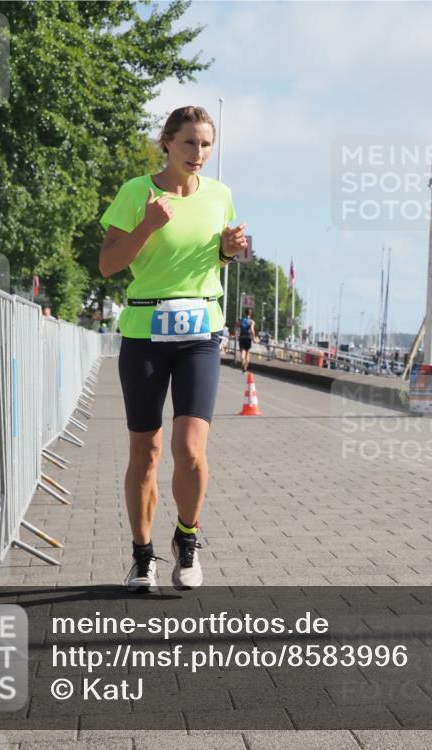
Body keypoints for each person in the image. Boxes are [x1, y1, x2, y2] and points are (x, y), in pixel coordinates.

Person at [98, 105, 248, 592]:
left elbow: (213, 261)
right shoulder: (136, 192)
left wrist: (228, 249)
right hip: (144, 329)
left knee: (189, 449)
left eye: (206, 144)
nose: (198, 153)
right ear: (166, 142)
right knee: (146, 450)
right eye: (189, 143)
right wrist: (146, 225)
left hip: (201, 331)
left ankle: (188, 537)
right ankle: (143, 557)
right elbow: (107, 265)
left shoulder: (220, 195)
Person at [237, 308, 257, 372]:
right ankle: (245, 367)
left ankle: (242, 359)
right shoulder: (251, 321)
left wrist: (236, 335)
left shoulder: (240, 320)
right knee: (247, 352)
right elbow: (252, 330)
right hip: (248, 338)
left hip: (241, 337)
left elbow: (236, 328)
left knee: (243, 351)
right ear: (250, 314)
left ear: (244, 313)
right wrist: (253, 338)